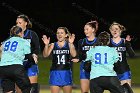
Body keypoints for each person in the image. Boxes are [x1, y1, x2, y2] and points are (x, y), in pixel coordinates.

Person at [0, 25, 37, 93]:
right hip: (16, 68)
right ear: (20, 33)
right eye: (22, 32)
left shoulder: (5, 42)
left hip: (3, 68)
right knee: (28, 89)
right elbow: (28, 56)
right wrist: (34, 60)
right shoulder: (24, 41)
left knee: (8, 90)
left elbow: (2, 52)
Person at [42, 27, 77, 93]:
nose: (59, 34)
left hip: (66, 73)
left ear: (66, 35)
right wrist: (46, 45)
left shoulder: (69, 45)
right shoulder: (53, 45)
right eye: (58, 33)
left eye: (61, 33)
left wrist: (71, 43)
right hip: (55, 73)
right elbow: (45, 55)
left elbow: (74, 54)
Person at [72, 21, 98, 93]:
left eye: (87, 29)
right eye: (84, 29)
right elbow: (80, 55)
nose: (85, 31)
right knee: (84, 91)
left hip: (96, 69)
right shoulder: (82, 42)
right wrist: (78, 59)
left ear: (93, 29)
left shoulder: (99, 42)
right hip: (84, 68)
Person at [16, 14, 40, 93]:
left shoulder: (31, 34)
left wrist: (34, 55)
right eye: (17, 23)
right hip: (18, 65)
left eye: (20, 23)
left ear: (25, 23)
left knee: (32, 90)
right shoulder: (14, 35)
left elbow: (37, 48)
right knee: (19, 90)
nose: (18, 25)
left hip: (30, 64)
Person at [109, 22, 135, 93]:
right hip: (112, 72)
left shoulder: (124, 42)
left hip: (124, 71)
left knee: (127, 91)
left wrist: (128, 44)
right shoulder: (108, 43)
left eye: (116, 29)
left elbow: (132, 55)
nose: (114, 31)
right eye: (113, 29)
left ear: (120, 30)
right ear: (110, 31)